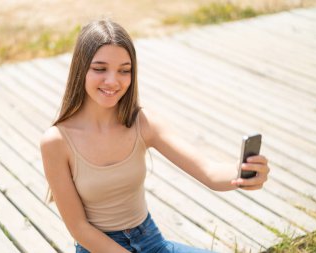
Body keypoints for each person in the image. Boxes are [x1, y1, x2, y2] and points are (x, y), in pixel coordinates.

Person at [40, 19, 270, 253]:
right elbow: (79, 228)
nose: (113, 81)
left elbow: (209, 173)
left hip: (151, 241)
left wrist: (242, 174)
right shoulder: (57, 141)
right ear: (81, 69)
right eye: (100, 68)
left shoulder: (143, 123)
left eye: (124, 70)